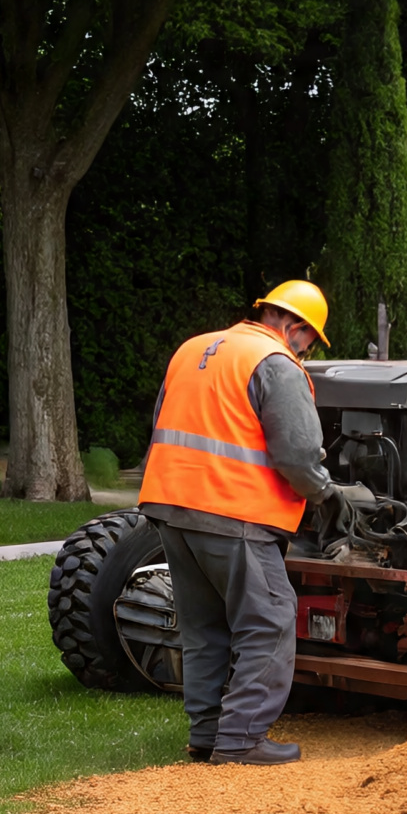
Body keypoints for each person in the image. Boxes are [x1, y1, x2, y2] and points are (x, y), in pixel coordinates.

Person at [139, 280, 338, 766]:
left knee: (204, 626)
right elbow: (297, 456)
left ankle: (206, 735)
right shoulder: (275, 364)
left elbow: (166, 423)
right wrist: (329, 494)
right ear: (294, 327)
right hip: (234, 511)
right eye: (310, 341)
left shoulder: (193, 349)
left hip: (170, 504)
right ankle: (242, 740)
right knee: (268, 621)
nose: (307, 351)